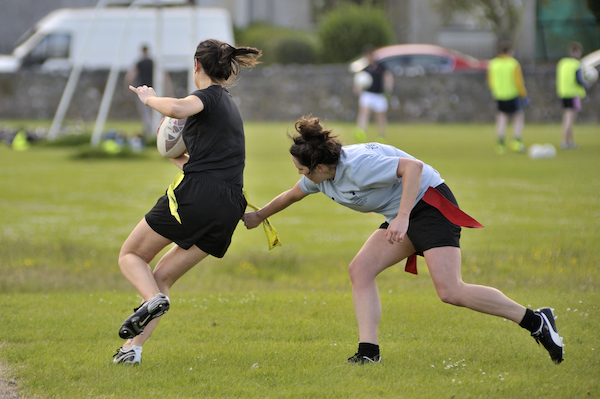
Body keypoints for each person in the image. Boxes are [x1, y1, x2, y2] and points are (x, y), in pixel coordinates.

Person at [243, 115, 564, 365]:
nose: (299, 173)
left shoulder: (358, 167)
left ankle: (537, 321)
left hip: (429, 204)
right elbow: (291, 196)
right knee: (361, 270)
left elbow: (413, 167)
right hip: (405, 212)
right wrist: (259, 217)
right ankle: (369, 352)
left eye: (302, 168)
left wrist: (403, 216)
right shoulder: (319, 179)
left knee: (450, 290)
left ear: (321, 167)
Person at [112, 39, 261, 365]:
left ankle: (150, 300)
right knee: (162, 277)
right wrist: (175, 157)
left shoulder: (206, 97)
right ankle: (130, 351)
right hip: (229, 206)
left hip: (199, 197)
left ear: (197, 65)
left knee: (131, 255)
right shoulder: (229, 104)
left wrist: (149, 98)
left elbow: (178, 108)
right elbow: (210, 163)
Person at [487, 41, 528, 155]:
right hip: (512, 94)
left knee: (501, 118)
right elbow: (518, 81)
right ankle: (516, 141)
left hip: (499, 95)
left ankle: (500, 144)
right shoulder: (513, 63)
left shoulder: (494, 63)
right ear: (509, 51)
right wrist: (524, 95)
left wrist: (495, 91)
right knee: (518, 117)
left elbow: (491, 80)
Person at [354, 46, 393, 142]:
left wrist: (388, 89)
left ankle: (381, 134)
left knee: (380, 116)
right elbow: (359, 80)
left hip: (379, 94)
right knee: (364, 112)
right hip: (368, 94)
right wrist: (357, 88)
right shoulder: (364, 68)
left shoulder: (381, 67)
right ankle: (361, 131)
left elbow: (388, 76)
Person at [556, 41, 590, 150]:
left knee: (566, 116)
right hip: (574, 94)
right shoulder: (577, 64)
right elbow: (579, 80)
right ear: (577, 52)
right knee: (570, 118)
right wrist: (589, 83)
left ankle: (570, 141)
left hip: (563, 93)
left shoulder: (562, 63)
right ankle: (564, 141)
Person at [125, 45, 155, 140]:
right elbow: (163, 75)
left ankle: (150, 132)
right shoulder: (152, 62)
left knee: (145, 112)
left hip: (143, 91)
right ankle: (152, 131)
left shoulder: (140, 63)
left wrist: (128, 87)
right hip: (153, 90)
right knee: (153, 111)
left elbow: (130, 76)